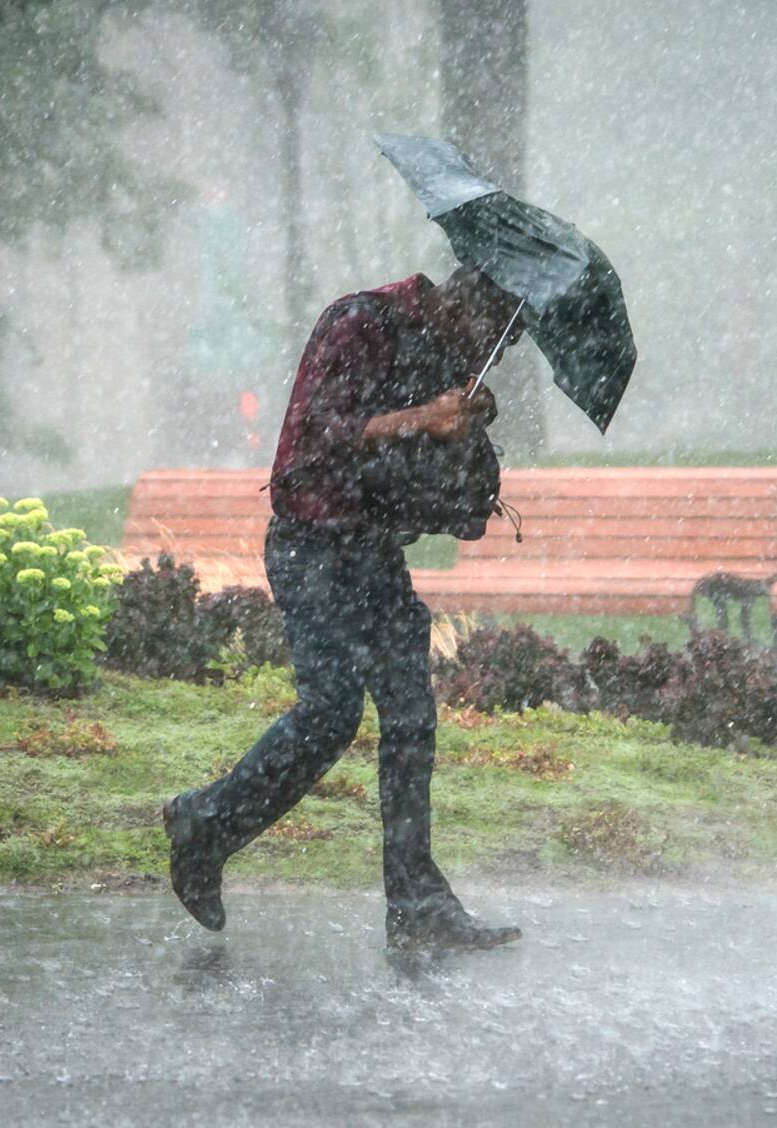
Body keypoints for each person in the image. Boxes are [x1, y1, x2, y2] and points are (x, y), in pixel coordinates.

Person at [162, 266, 524, 950]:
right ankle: (204, 823)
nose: (490, 356)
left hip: (372, 551)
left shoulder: (437, 349)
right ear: (462, 306)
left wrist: (463, 427)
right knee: (330, 712)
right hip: (312, 546)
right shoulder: (360, 323)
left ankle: (417, 905)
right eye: (491, 340)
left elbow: (408, 470)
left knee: (410, 716)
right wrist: (424, 417)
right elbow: (320, 433)